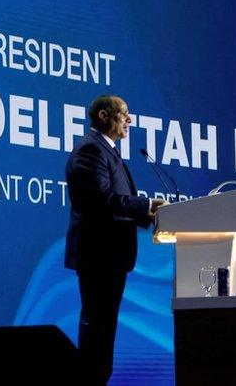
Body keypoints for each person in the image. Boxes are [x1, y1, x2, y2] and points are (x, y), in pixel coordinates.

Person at [64, 95, 166, 383]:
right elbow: (102, 200)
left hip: (111, 257)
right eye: (124, 114)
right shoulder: (90, 151)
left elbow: (117, 202)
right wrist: (146, 206)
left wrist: (154, 215)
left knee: (104, 330)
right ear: (103, 116)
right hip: (99, 256)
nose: (130, 120)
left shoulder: (108, 152)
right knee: (98, 329)